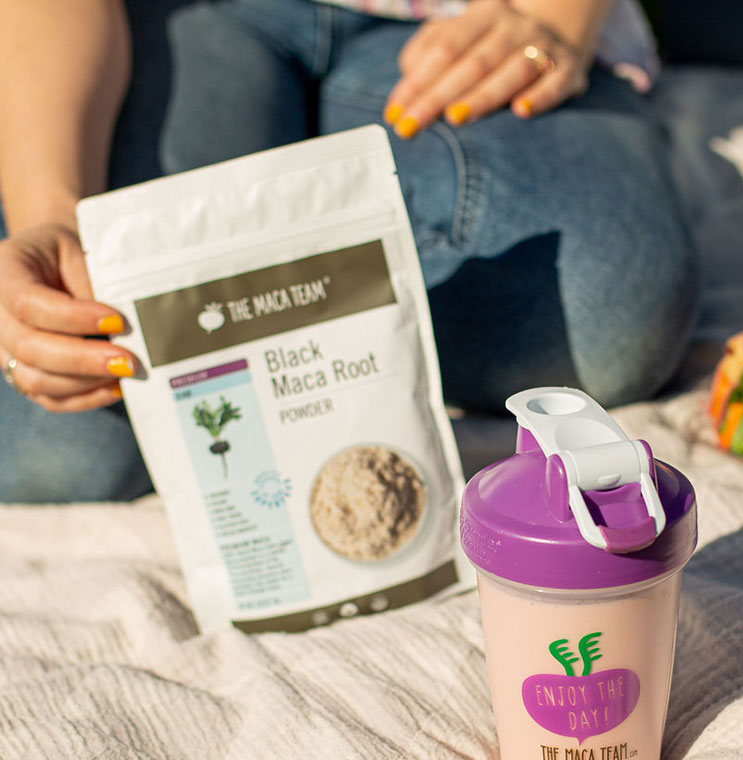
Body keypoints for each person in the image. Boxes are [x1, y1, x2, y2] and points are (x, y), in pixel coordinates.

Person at [0, 0, 697, 503]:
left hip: (469, 18)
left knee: (597, 312)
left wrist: (556, 17)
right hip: (175, 23)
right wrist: (52, 214)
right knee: (65, 437)